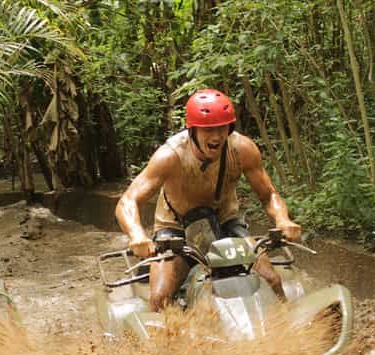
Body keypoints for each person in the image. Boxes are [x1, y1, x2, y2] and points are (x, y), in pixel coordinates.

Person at [115, 88, 302, 311]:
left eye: (222, 127)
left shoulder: (242, 149)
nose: (216, 136)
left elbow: (269, 194)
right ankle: (165, 343)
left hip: (225, 222)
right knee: (160, 298)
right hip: (175, 230)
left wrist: (283, 220)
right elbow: (128, 201)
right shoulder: (170, 156)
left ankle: (287, 328)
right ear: (192, 130)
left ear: (230, 127)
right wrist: (137, 235)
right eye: (208, 129)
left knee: (272, 280)